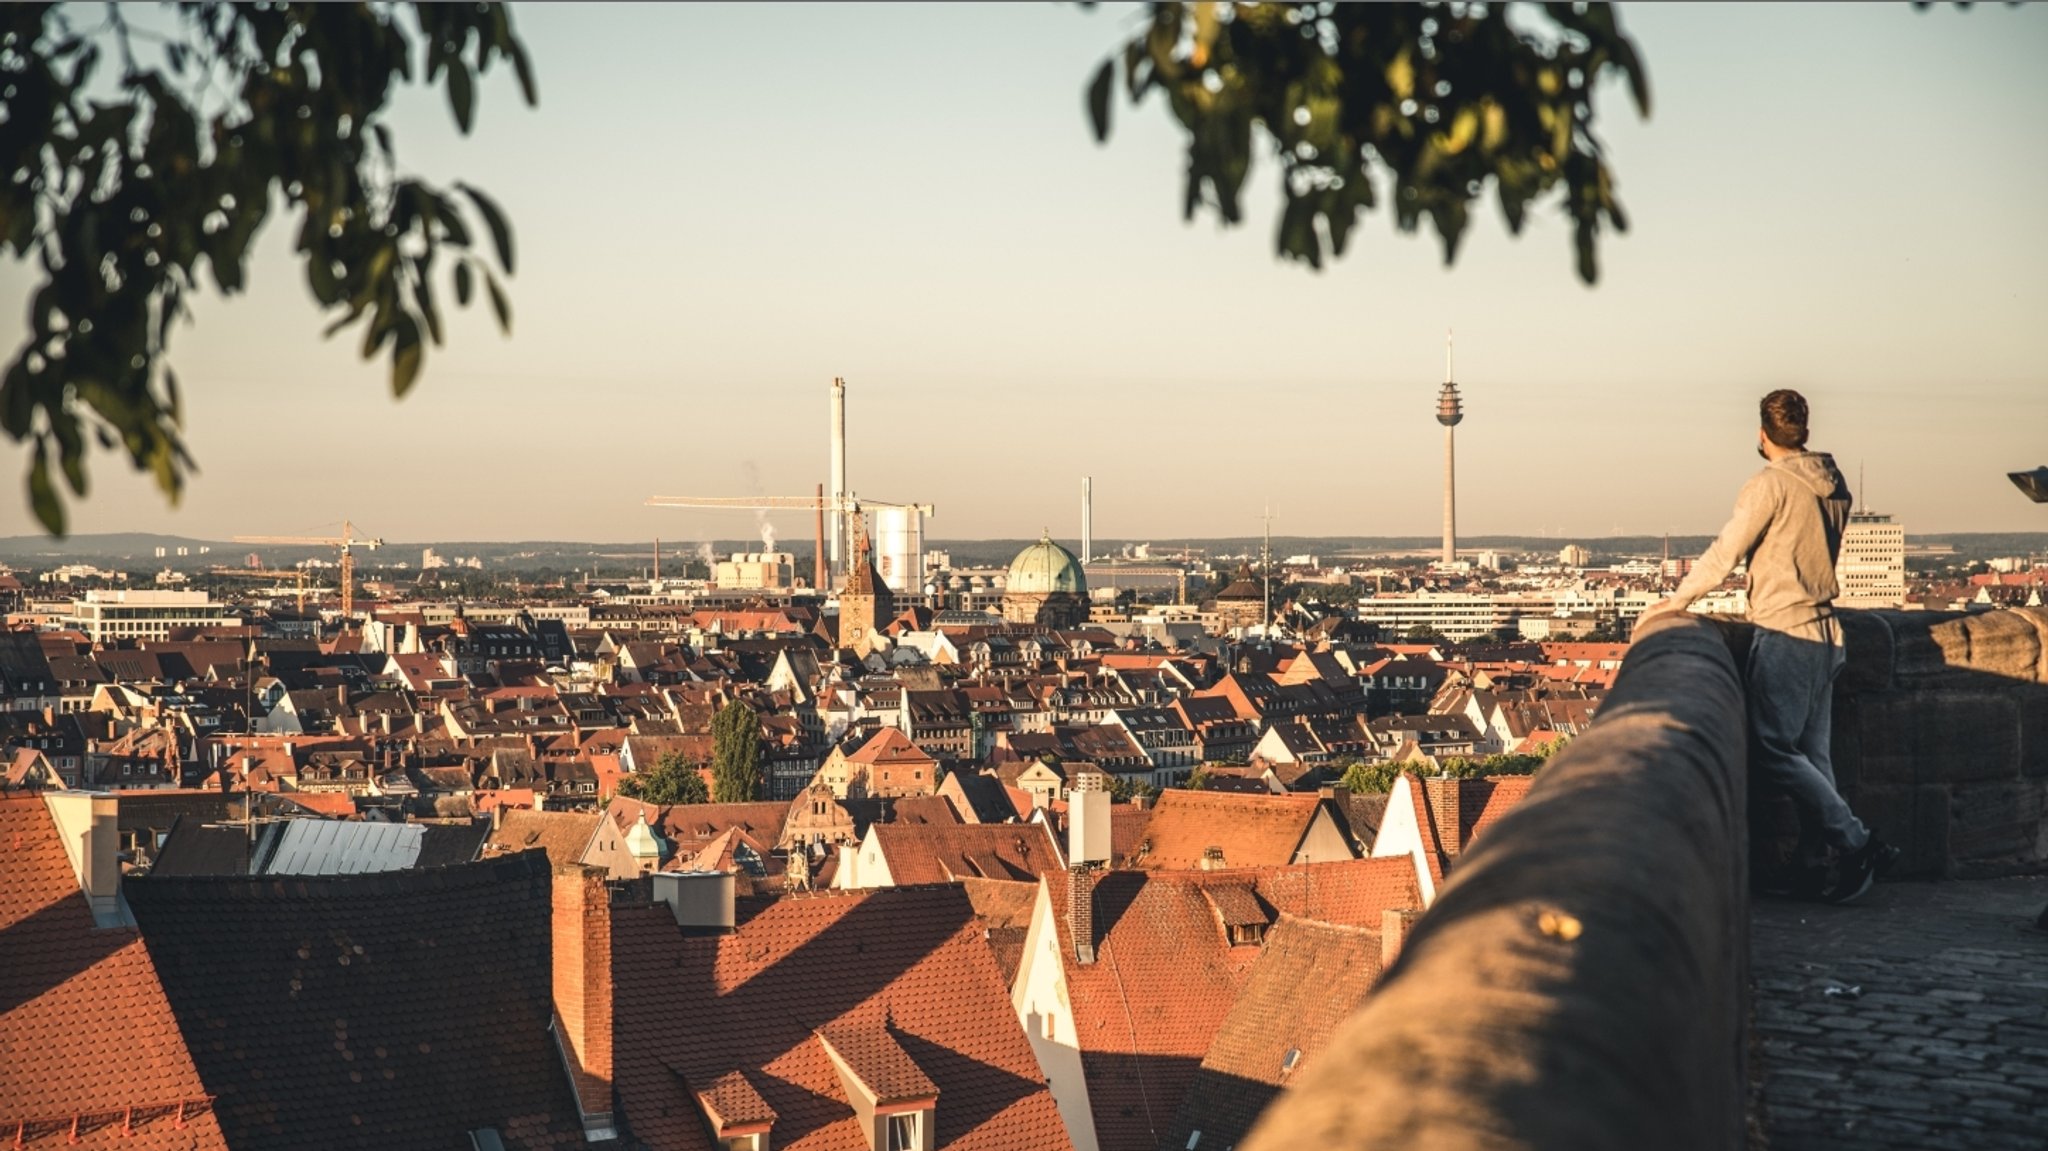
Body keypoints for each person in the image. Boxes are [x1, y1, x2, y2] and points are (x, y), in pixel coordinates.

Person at [1643, 389, 1897, 902]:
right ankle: (1812, 862)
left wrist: (1674, 603)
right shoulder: (1833, 481)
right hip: (1827, 630)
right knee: (1813, 756)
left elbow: (1725, 554)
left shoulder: (1771, 486)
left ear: (1762, 434)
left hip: (1786, 629)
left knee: (1770, 749)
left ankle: (1856, 842)